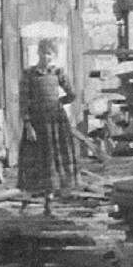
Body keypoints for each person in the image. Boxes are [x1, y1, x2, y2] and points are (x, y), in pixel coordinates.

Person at [18, 38, 78, 210]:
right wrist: (28, 125)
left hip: (55, 123)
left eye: (50, 54)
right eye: (44, 53)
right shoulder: (29, 74)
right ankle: (26, 200)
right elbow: (23, 102)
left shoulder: (57, 72)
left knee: (52, 159)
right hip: (37, 122)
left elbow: (72, 94)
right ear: (38, 53)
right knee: (35, 159)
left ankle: (49, 202)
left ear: (55, 55)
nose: (47, 57)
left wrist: (58, 102)